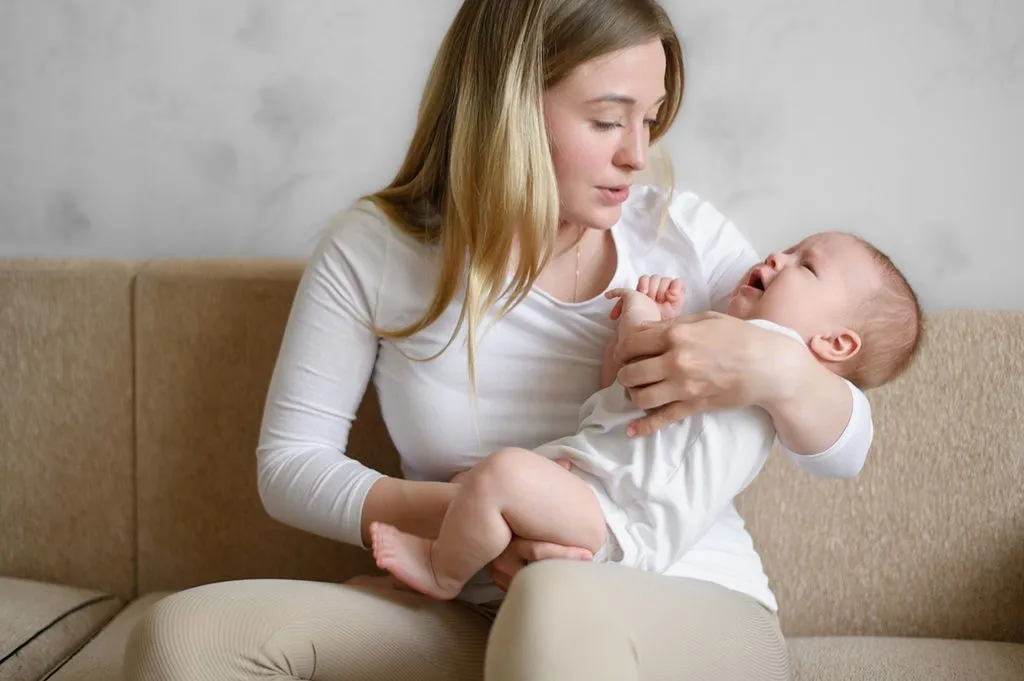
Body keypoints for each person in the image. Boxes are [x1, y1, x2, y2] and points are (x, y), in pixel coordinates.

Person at [122, 2, 883, 680]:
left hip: (688, 603)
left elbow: (845, 449)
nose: (637, 155)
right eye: (608, 119)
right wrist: (475, 522)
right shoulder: (375, 249)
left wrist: (780, 365)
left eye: (649, 119)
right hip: (468, 602)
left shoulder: (686, 240)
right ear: (509, 109)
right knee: (184, 639)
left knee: (554, 603)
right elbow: (290, 466)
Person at [367, 232, 922, 601]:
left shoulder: (773, 356)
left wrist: (640, 312)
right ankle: (452, 561)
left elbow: (845, 447)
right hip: (589, 485)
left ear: (835, 342)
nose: (777, 257)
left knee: (497, 477)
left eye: (807, 266)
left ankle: (443, 572)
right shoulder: (715, 329)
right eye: (788, 248)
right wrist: (651, 320)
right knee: (476, 484)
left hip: (623, 521)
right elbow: (620, 385)